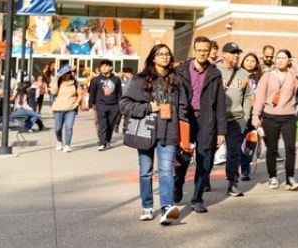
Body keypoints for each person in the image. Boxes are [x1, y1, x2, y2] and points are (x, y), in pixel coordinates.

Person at [120, 44, 189, 225]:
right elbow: (124, 104)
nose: (165, 57)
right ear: (153, 58)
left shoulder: (177, 79)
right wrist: (148, 107)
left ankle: (167, 208)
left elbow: (183, 108)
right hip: (145, 132)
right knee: (146, 172)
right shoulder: (140, 79)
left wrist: (185, 135)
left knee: (166, 171)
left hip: (169, 132)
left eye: (167, 54)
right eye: (160, 54)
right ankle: (148, 206)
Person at [174, 36, 226, 214]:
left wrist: (221, 131)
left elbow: (220, 103)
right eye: (200, 50)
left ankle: (197, 198)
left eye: (206, 50)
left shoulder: (215, 73)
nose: (203, 53)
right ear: (194, 50)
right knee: (182, 158)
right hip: (185, 119)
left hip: (206, 120)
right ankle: (178, 184)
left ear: (210, 50)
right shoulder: (180, 70)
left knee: (205, 161)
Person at [252, 49, 298, 190]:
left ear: (289, 61)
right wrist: (255, 115)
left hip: (288, 117)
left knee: (290, 148)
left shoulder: (293, 76)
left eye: (283, 58)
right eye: (278, 57)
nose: (279, 60)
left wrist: (296, 66)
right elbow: (259, 97)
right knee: (271, 149)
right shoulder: (267, 76)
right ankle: (272, 177)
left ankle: (290, 178)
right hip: (270, 117)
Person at [216, 42, 251, 197]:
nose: (236, 55)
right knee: (209, 152)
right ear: (224, 54)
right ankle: (203, 182)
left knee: (234, 152)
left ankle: (232, 183)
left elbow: (248, 95)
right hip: (217, 119)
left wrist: (246, 114)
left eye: (238, 52)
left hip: (236, 119)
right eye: (233, 52)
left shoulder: (243, 73)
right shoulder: (215, 71)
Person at [88, 59, 123, 151]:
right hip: (101, 104)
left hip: (114, 105)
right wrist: (90, 106)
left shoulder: (116, 79)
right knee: (102, 124)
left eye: (106, 66)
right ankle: (102, 143)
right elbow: (92, 93)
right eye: (102, 66)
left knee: (110, 124)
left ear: (111, 67)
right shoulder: (95, 80)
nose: (103, 68)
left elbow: (119, 93)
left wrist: (121, 105)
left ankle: (107, 140)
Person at [240, 52, 262, 180]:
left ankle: (245, 170)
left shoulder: (259, 78)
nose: (250, 63)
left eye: (253, 61)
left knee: (250, 143)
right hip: (240, 114)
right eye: (247, 60)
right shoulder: (237, 75)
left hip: (254, 114)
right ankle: (239, 165)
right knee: (237, 143)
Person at [50, 65, 82, 153]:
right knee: (58, 128)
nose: (66, 75)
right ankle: (59, 141)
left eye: (68, 73)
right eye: (64, 73)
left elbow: (80, 94)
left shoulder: (75, 83)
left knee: (69, 127)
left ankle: (67, 145)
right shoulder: (59, 82)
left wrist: (76, 103)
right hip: (58, 108)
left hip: (71, 109)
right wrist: (56, 79)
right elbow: (53, 92)